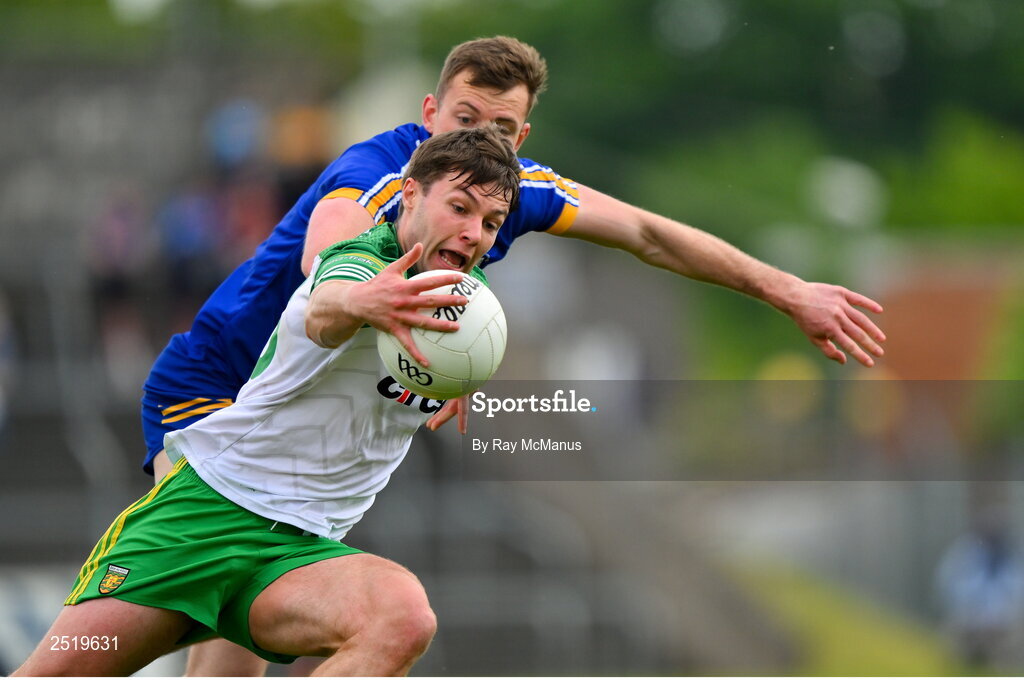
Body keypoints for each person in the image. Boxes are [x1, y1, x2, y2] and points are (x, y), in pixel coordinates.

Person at [141, 36, 886, 675]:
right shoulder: (381, 171)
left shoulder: (511, 189)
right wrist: (404, 321)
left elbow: (649, 234)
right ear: (431, 116)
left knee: (244, 627)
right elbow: (326, 256)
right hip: (215, 392)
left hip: (305, 432)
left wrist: (787, 290)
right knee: (210, 612)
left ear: (522, 138)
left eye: (503, 127)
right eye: (466, 119)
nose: (483, 138)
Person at [13, 126, 521, 677]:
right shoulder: (357, 261)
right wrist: (361, 302)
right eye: (460, 207)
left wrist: (465, 371)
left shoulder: (466, 311)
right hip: (201, 524)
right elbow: (326, 309)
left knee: (402, 618)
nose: (473, 233)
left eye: (490, 223)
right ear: (411, 194)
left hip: (296, 556)